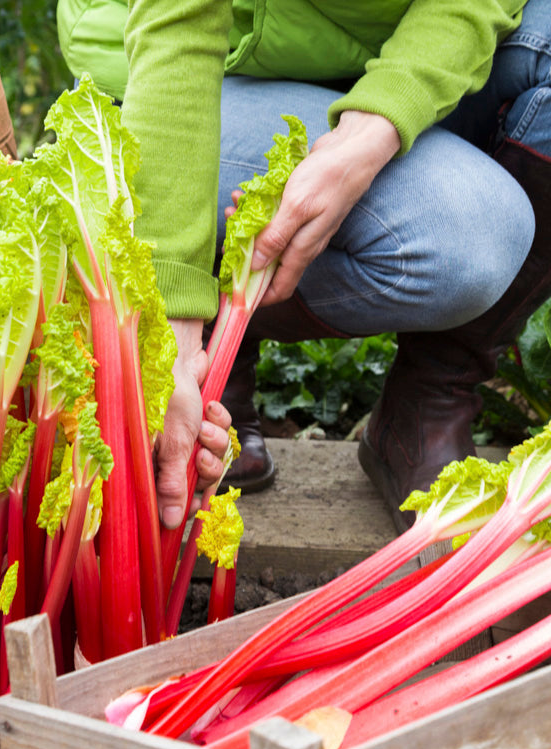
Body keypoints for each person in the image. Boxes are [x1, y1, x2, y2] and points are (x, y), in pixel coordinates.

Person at [56, 0, 551, 533]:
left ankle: (427, 401)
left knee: (477, 237)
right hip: (194, 65)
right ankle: (219, 354)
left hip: (370, 51)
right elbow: (181, 25)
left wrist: (375, 127)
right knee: (467, 242)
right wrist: (169, 330)